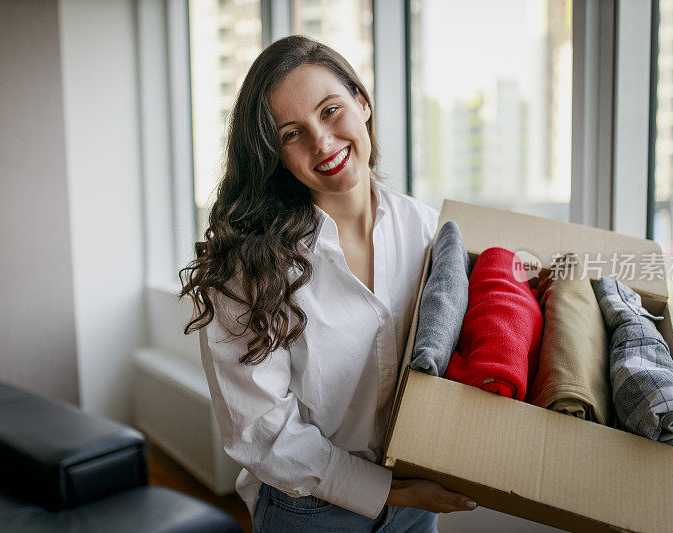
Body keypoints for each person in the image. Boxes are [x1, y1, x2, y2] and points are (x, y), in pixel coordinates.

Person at [179, 35, 476, 532]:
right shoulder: (247, 268)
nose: (321, 141)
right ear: (274, 155)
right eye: (292, 133)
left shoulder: (428, 232)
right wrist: (385, 491)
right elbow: (261, 428)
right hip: (310, 508)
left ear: (362, 102)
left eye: (331, 110)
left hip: (416, 500)